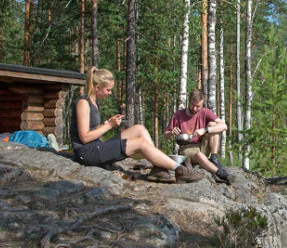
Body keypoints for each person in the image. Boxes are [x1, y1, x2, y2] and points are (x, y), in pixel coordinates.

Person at [70, 67, 202, 183]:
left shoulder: (94, 102)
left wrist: (105, 124)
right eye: (108, 90)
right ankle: (179, 170)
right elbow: (84, 138)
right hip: (88, 154)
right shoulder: (83, 103)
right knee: (140, 143)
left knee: (139, 129)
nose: (110, 93)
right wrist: (109, 125)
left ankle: (158, 168)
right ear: (97, 87)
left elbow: (91, 130)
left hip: (97, 146)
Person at [164, 89, 234, 184]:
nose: (194, 108)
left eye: (198, 106)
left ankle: (214, 158)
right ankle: (223, 175)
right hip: (187, 148)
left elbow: (224, 126)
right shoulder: (178, 115)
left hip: (203, 146)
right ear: (189, 101)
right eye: (193, 105)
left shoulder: (205, 112)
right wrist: (172, 132)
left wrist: (204, 130)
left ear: (202, 104)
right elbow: (166, 136)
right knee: (199, 155)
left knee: (213, 125)